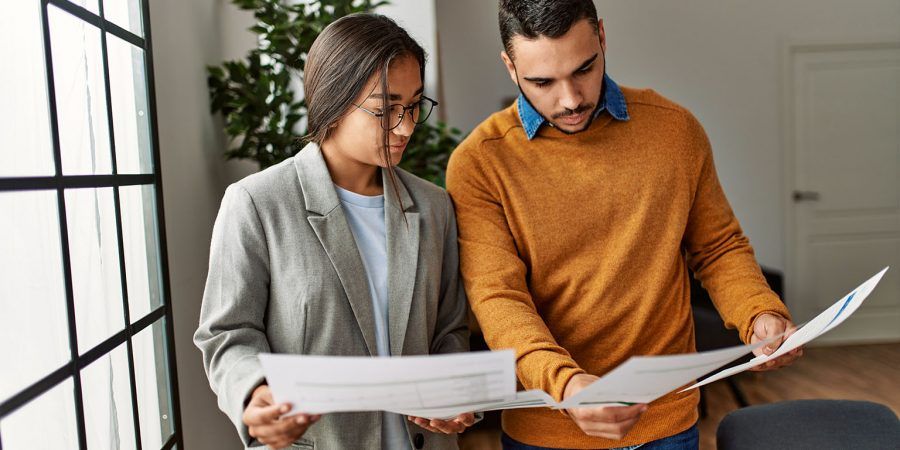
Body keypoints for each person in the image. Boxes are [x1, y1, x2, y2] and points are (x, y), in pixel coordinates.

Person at [445, 1, 803, 449]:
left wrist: (759, 312)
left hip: (666, 422)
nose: (571, 98)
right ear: (509, 66)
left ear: (602, 37)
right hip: (549, 430)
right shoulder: (480, 162)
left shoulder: (674, 130)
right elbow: (498, 297)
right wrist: (567, 386)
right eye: (542, 82)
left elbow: (718, 248)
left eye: (584, 69)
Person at [195, 13, 473, 450]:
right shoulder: (257, 203)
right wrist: (254, 394)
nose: (405, 127)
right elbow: (228, 333)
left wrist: (450, 389)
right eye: (384, 109)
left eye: (414, 105)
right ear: (333, 100)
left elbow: (449, 329)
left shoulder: (433, 207)